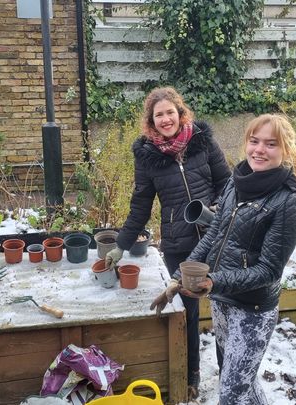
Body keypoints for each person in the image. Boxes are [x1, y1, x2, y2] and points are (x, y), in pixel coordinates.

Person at [151, 113, 296, 404]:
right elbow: (213, 236)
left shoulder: (290, 201)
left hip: (253, 310)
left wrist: (213, 281)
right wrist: (178, 278)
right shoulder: (237, 182)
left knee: (231, 394)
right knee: (242, 385)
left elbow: (268, 271)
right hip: (223, 302)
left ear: (285, 149)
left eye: (270, 144)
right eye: (254, 141)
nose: (259, 150)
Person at [105, 86, 231, 399]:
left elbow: (227, 183)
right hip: (180, 245)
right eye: (158, 114)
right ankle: (191, 376)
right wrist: (119, 246)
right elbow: (140, 205)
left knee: (224, 308)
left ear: (180, 113)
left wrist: (215, 209)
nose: (165, 119)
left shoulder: (203, 141)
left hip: (217, 238)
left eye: (169, 112)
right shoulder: (147, 157)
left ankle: (229, 372)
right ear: (151, 120)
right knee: (186, 313)